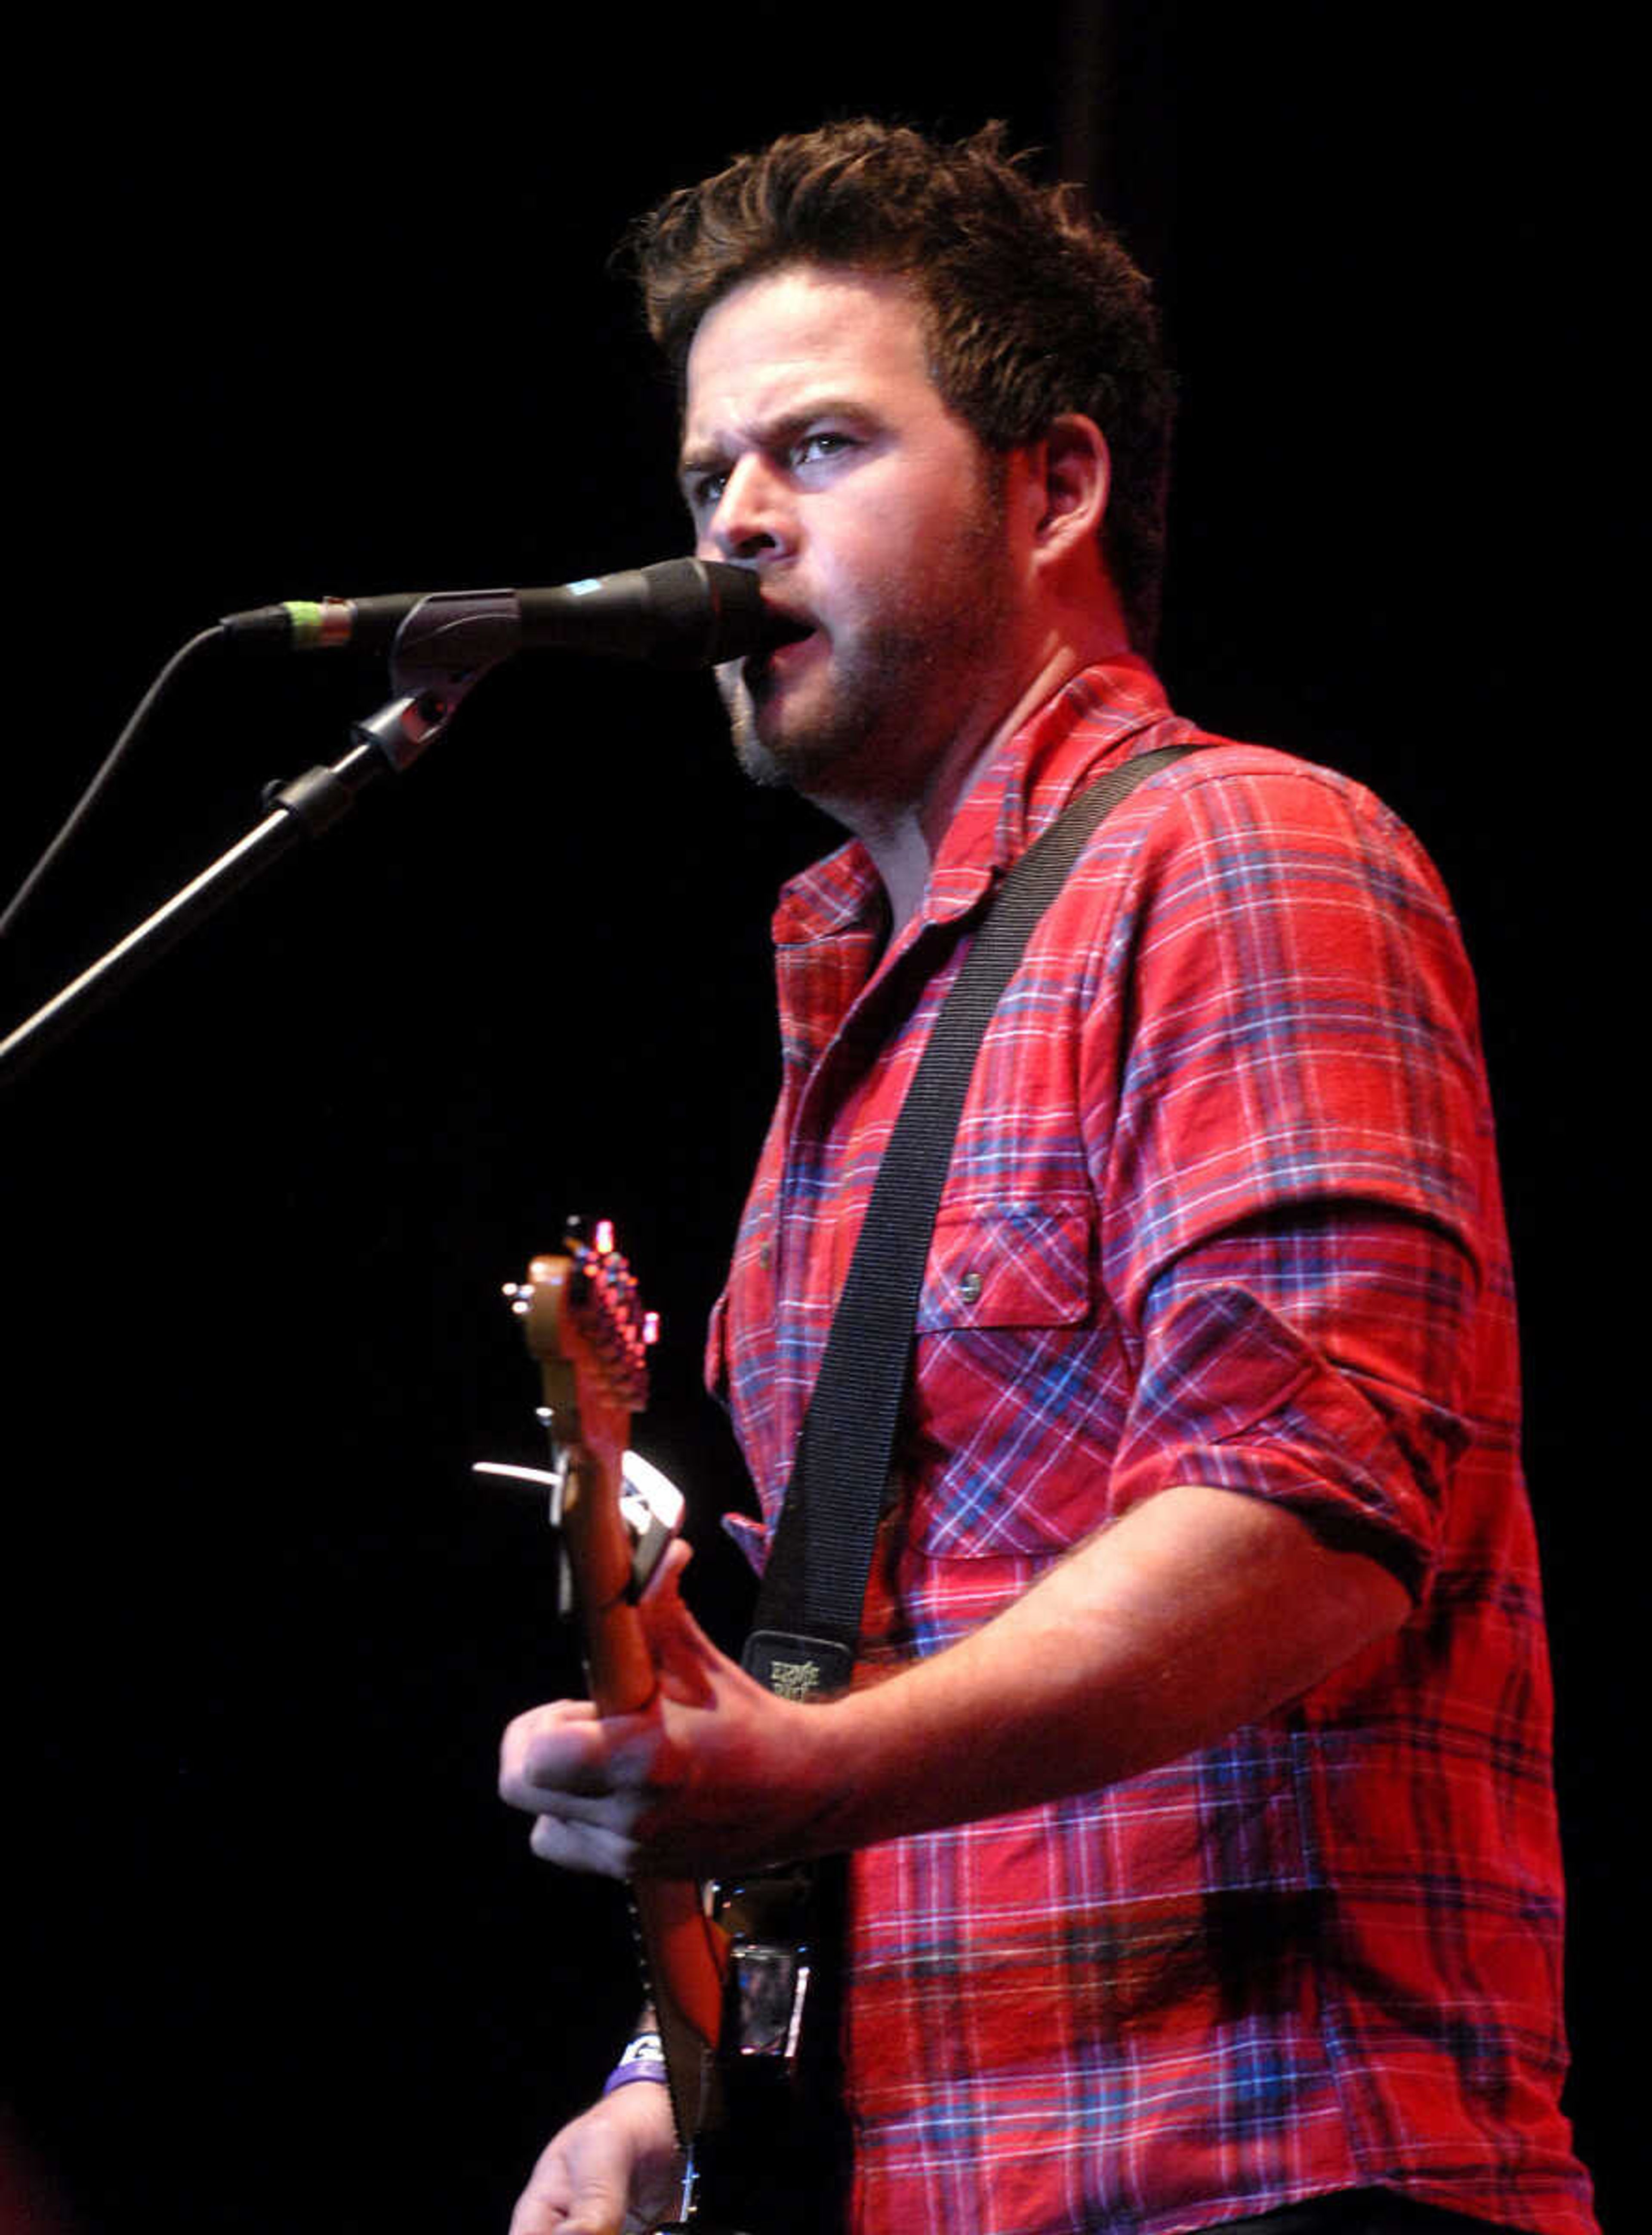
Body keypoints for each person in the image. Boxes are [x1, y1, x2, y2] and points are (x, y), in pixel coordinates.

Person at [496, 121, 1597, 2235]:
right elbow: (861, 1663)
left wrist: (811, 1768)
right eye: (703, 475)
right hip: (949, 2173)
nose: (730, 522)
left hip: (1272, 2166)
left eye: (818, 450)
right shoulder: (850, 1009)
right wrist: (673, 2067)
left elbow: (1309, 1516)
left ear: (1056, 487)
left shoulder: (1247, 857)